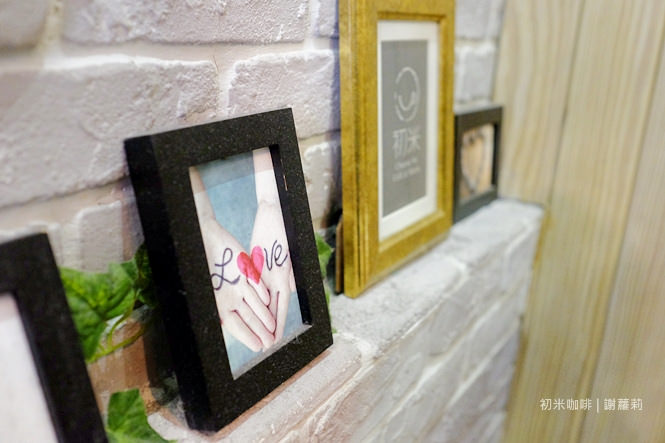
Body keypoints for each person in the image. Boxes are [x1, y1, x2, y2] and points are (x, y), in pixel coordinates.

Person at [189, 148, 296, 353]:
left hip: (252, 175)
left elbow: (268, 131)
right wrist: (201, 225)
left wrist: (272, 199)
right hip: (201, 197)